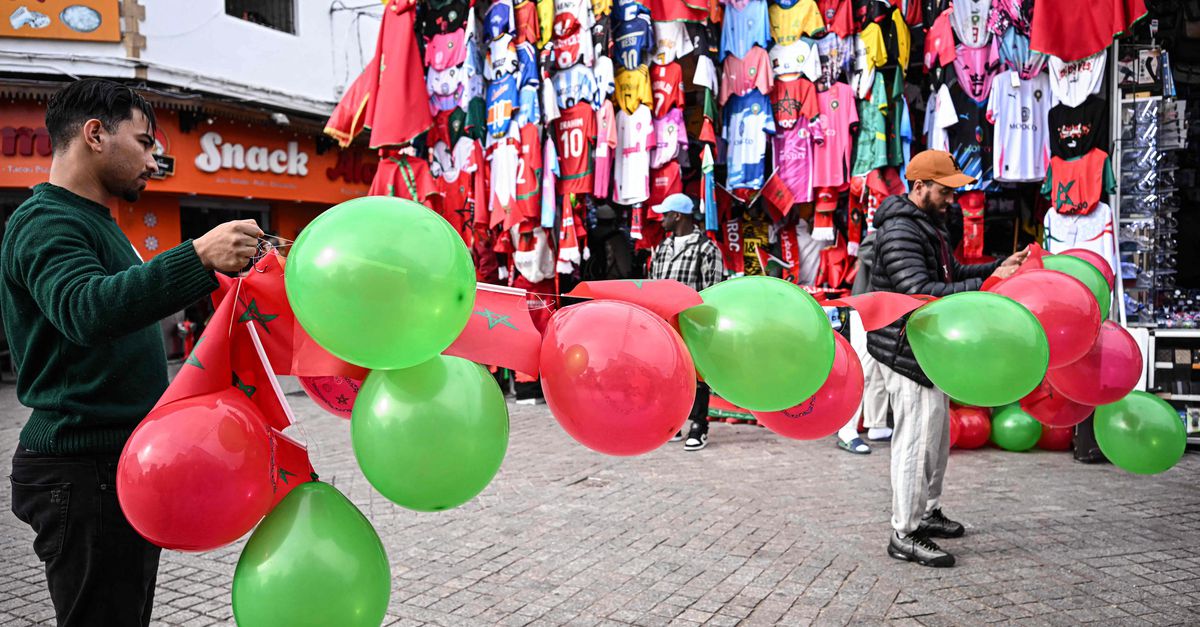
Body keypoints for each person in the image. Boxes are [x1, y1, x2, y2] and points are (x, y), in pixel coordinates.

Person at [1, 78, 263, 626]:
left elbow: (122, 309)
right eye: (145, 142)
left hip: (113, 466)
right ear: (96, 135)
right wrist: (198, 254)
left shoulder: (95, 222)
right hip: (82, 471)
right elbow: (86, 309)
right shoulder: (46, 222)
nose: (156, 157)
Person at [869, 150, 1027, 568]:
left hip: (929, 349)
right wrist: (985, 291)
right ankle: (904, 532)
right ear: (919, 186)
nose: (951, 199)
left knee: (935, 440)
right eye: (945, 191)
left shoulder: (928, 223)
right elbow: (919, 290)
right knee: (916, 443)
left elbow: (950, 272)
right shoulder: (901, 229)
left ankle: (927, 511)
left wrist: (997, 270)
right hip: (907, 350)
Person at [647, 194, 724, 451]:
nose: (661, 220)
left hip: (692, 321)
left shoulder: (706, 248)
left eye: (665, 214)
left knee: (696, 374)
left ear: (677, 215)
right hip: (664, 321)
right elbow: (652, 282)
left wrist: (705, 323)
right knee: (669, 374)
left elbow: (714, 289)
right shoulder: (662, 247)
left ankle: (698, 425)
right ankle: (674, 422)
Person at [836, 231, 893, 454]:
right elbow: (867, 252)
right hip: (866, 308)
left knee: (880, 368)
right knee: (863, 370)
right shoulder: (882, 233)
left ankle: (877, 424)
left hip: (884, 308)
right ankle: (846, 430)